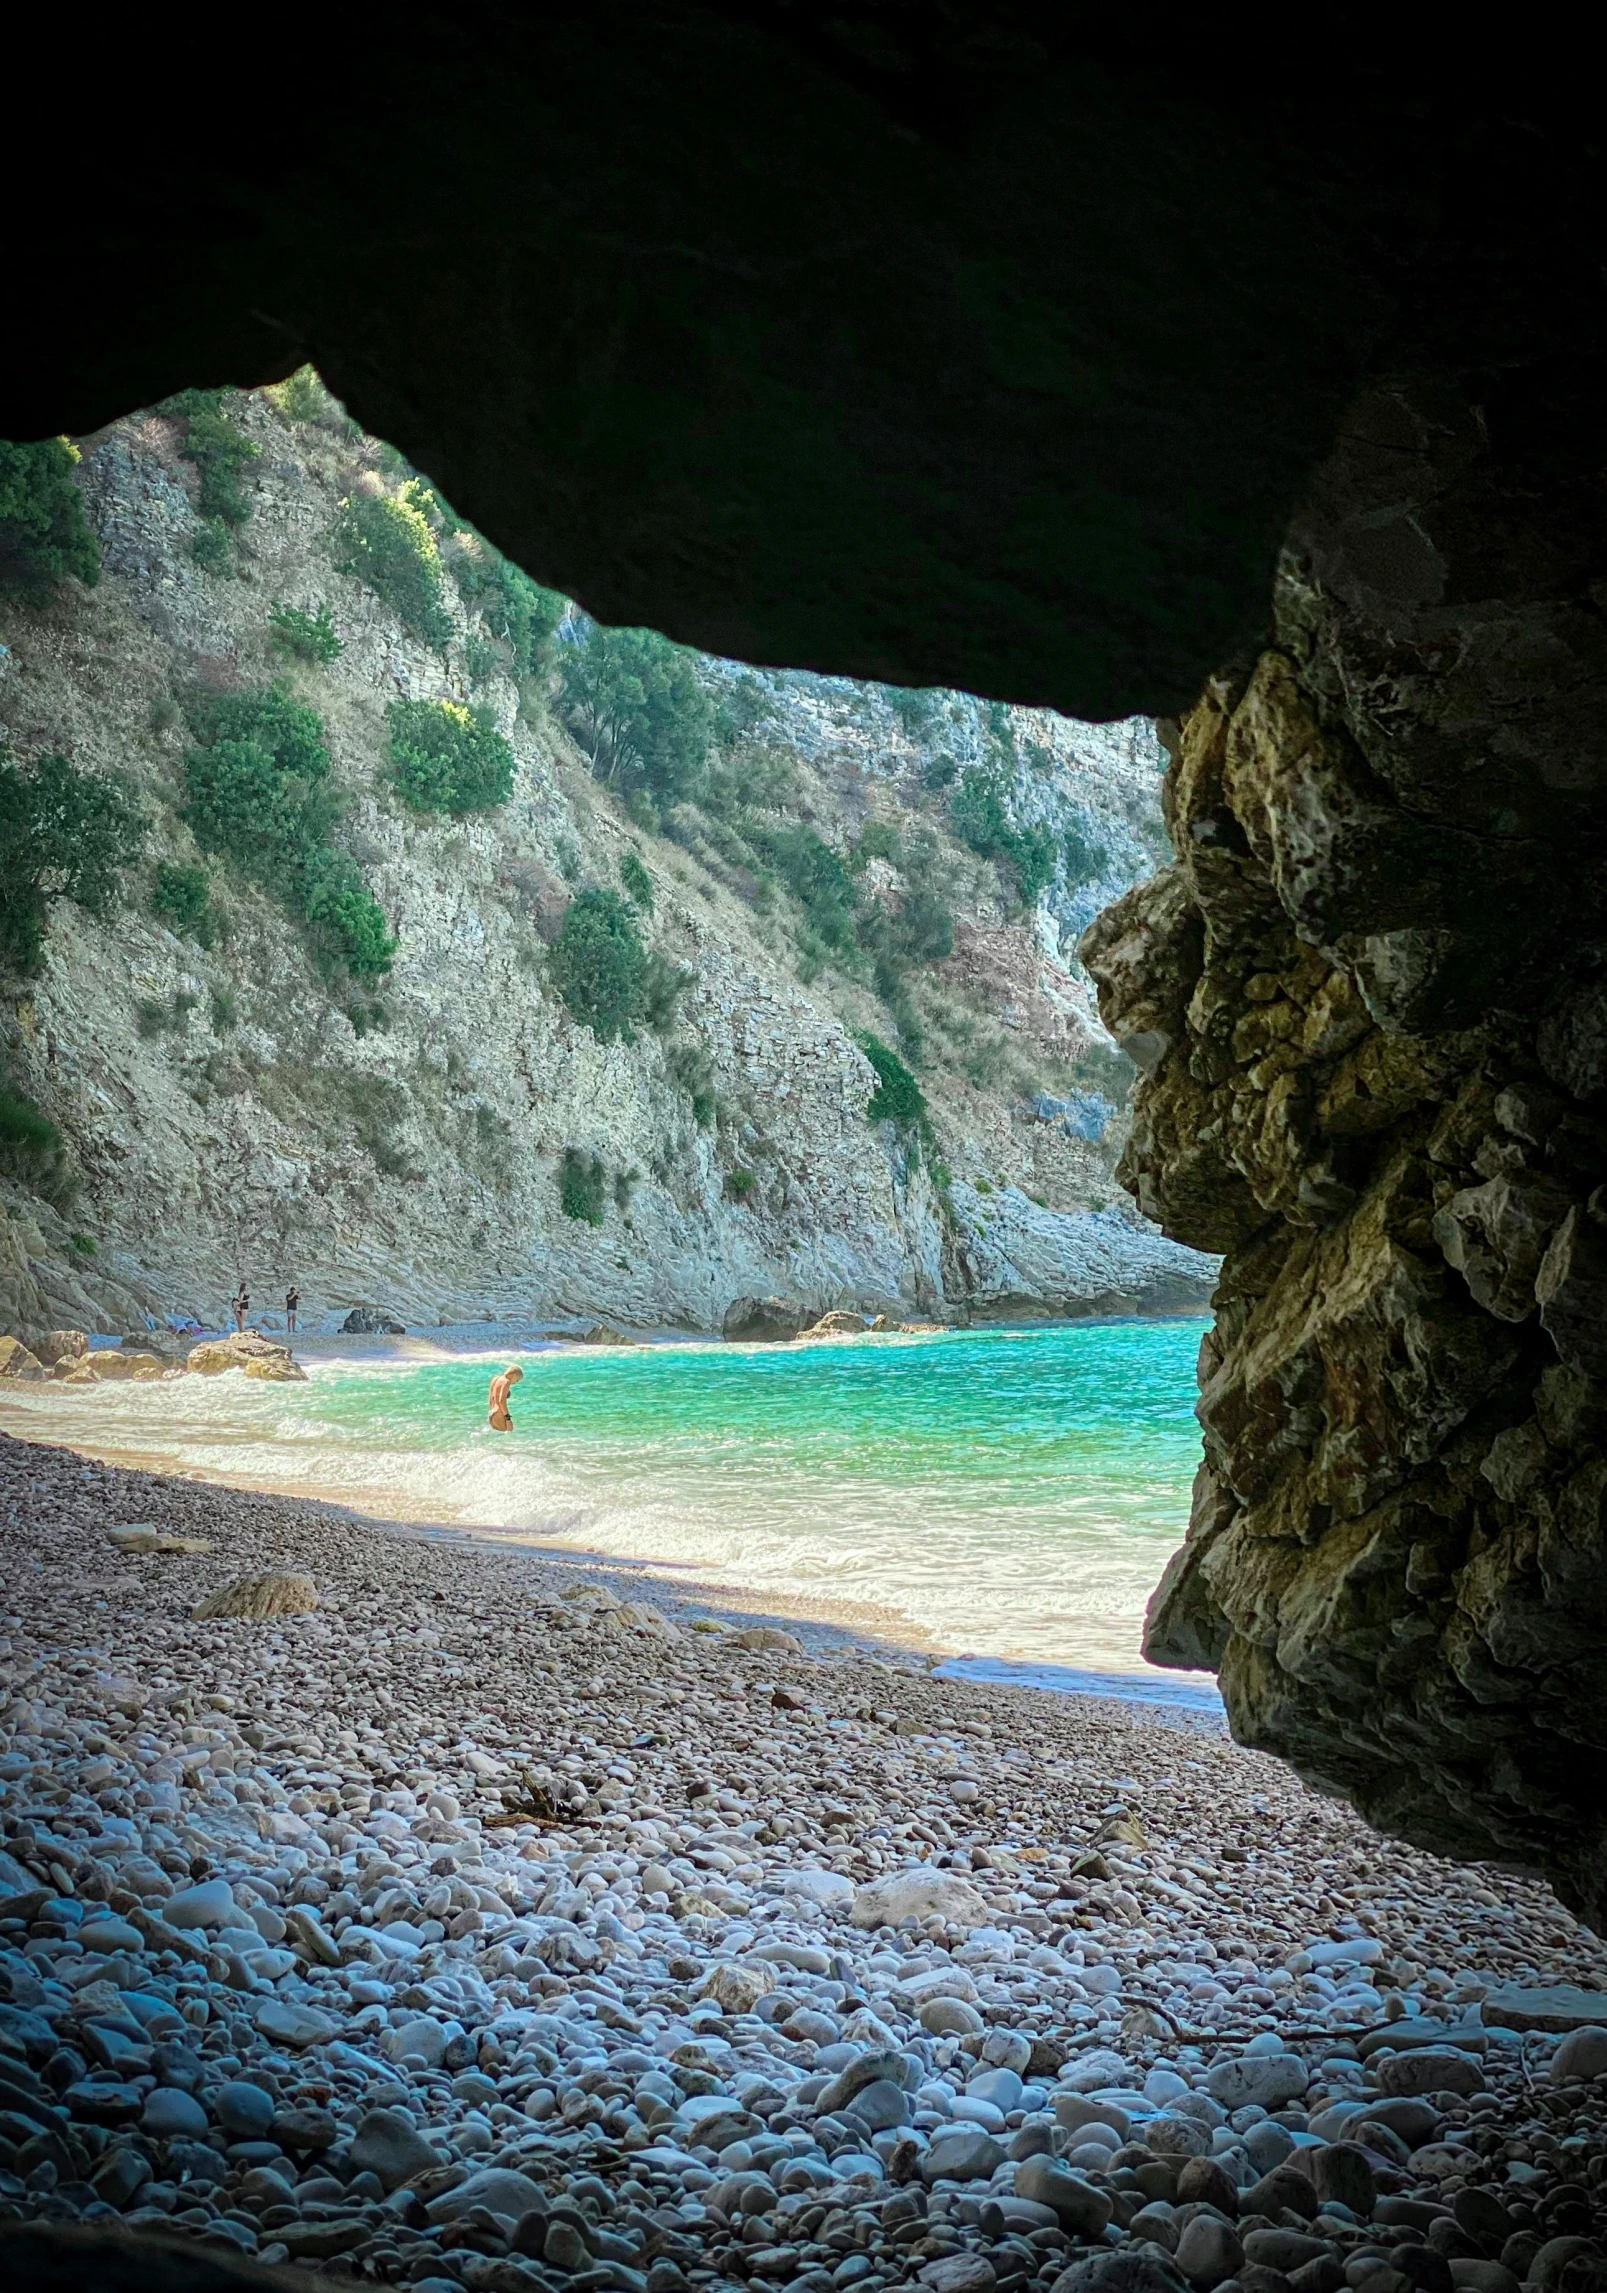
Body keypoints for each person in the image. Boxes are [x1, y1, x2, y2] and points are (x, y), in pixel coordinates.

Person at [488, 1363, 524, 1431]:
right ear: (515, 1375)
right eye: (517, 1380)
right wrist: (508, 1419)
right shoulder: (506, 1382)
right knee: (508, 1435)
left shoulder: (495, 1379)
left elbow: (490, 1398)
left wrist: (492, 1412)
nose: (515, 1382)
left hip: (492, 1413)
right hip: (499, 1414)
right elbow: (501, 1400)